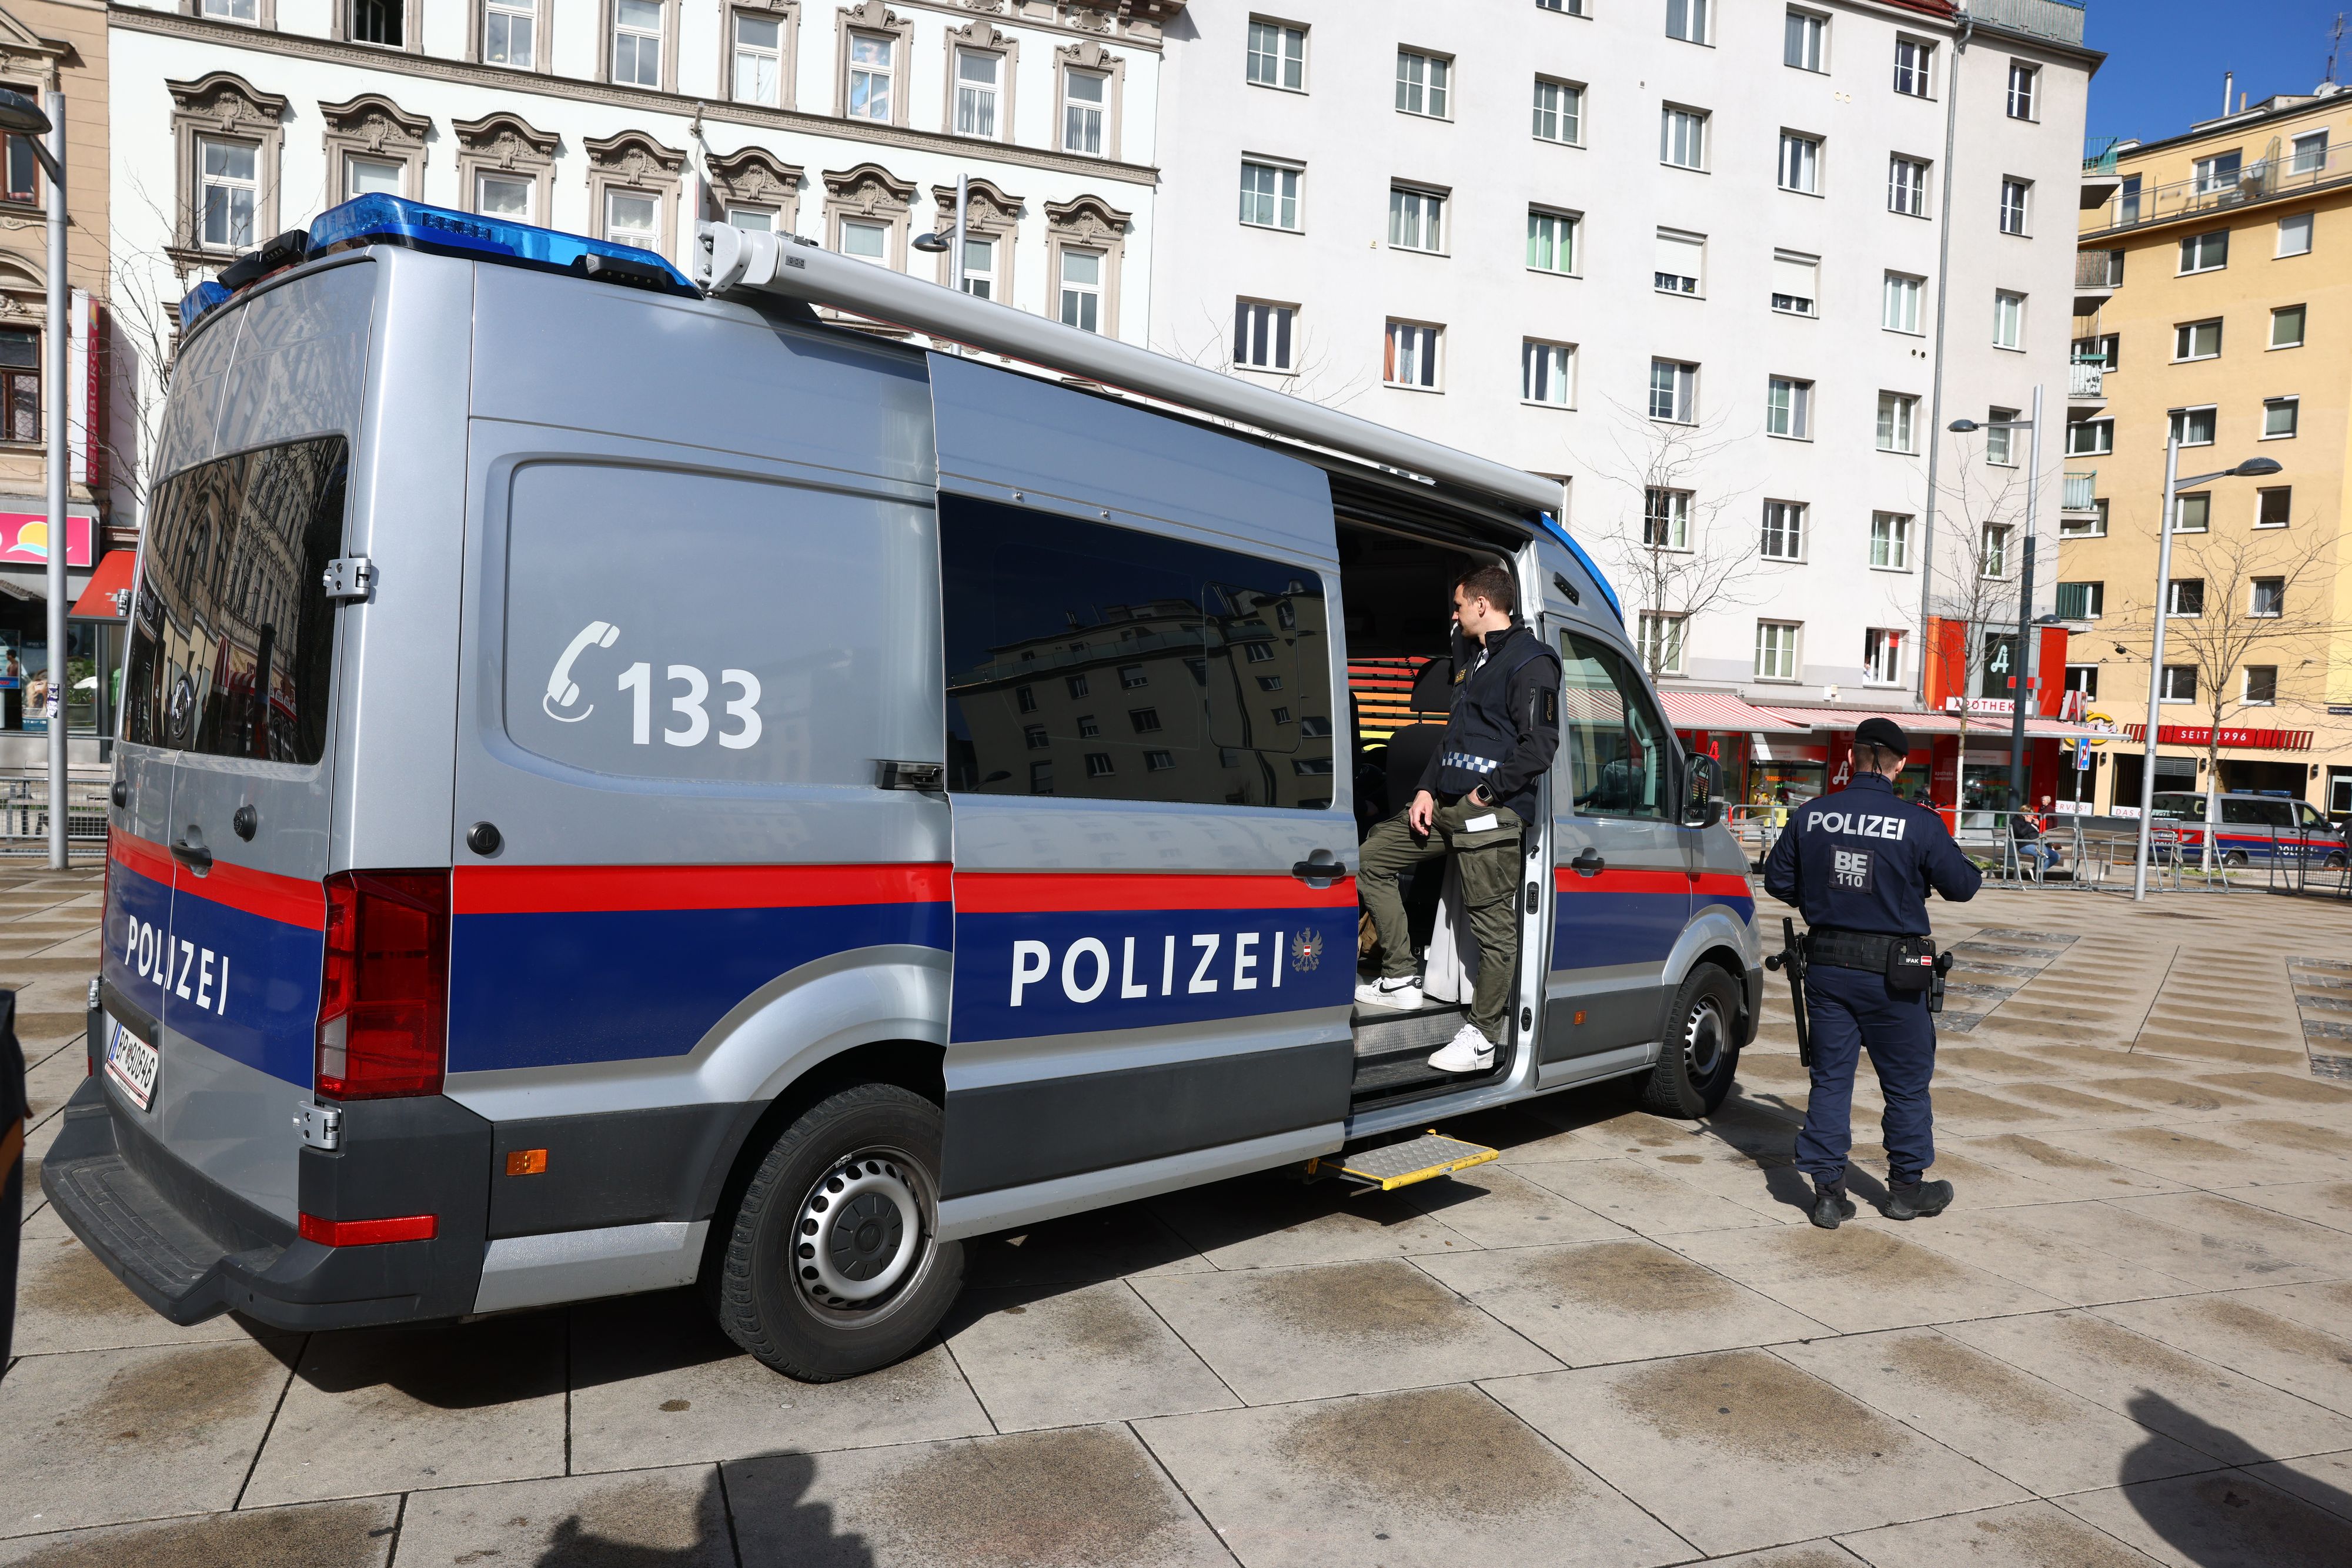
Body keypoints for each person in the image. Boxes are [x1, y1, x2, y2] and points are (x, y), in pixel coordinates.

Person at [1763, 716, 1982, 1229]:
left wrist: (1822, 898)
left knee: (1831, 1080)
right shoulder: (1919, 821)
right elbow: (1963, 885)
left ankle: (1827, 1193)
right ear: (1899, 764)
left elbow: (1776, 878)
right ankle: (1906, 1190)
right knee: (1906, 1084)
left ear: (1854, 757)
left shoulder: (1813, 815)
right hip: (1894, 976)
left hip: (1827, 967)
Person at [1355, 563, 1561, 1074]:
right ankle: (1401, 976)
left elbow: (1541, 746)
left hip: (1489, 813)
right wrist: (1425, 788)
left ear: (1483, 606)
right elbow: (1452, 738)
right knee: (1372, 858)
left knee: (1495, 930)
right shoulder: (1475, 659)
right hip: (1446, 806)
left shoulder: (1532, 661)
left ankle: (1485, 1035)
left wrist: (1484, 796)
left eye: (1459, 604)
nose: (1455, 613)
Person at [2011, 795, 2060, 876]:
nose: (2033, 816)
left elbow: (2040, 833)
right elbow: (2021, 834)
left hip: (2037, 844)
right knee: (2043, 856)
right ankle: (2036, 873)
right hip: (2025, 845)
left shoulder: (2032, 822)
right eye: (2031, 814)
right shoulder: (2016, 821)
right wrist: (2028, 823)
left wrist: (2038, 825)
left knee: (2056, 856)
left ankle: (2038, 871)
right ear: (2025, 814)